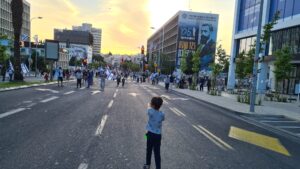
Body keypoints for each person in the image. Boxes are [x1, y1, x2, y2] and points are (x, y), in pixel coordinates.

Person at [144, 97, 165, 169]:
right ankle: (158, 167)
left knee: (148, 149)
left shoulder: (150, 111)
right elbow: (163, 119)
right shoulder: (162, 114)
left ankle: (147, 165)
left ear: (152, 105)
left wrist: (149, 105)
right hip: (158, 136)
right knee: (157, 152)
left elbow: (148, 108)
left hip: (149, 134)